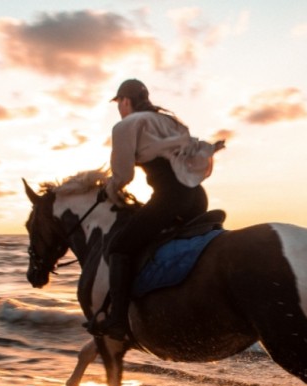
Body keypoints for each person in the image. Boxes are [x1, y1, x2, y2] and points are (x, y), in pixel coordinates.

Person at [92, 79, 225, 340]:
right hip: (197, 197)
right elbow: (195, 152)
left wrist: (109, 189)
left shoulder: (126, 125)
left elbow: (122, 174)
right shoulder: (169, 122)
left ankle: (118, 321)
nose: (119, 108)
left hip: (170, 198)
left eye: (119, 103)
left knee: (119, 247)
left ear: (125, 101)